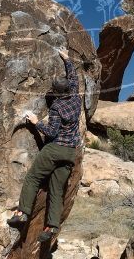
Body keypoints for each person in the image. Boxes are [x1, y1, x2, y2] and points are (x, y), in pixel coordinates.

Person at [8, 48, 81, 243]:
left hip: (55, 148)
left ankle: (22, 213)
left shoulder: (57, 107)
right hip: (71, 152)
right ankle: (51, 226)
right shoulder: (75, 96)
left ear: (57, 92)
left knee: (32, 177)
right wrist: (67, 59)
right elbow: (73, 77)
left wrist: (35, 121)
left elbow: (51, 132)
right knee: (56, 190)